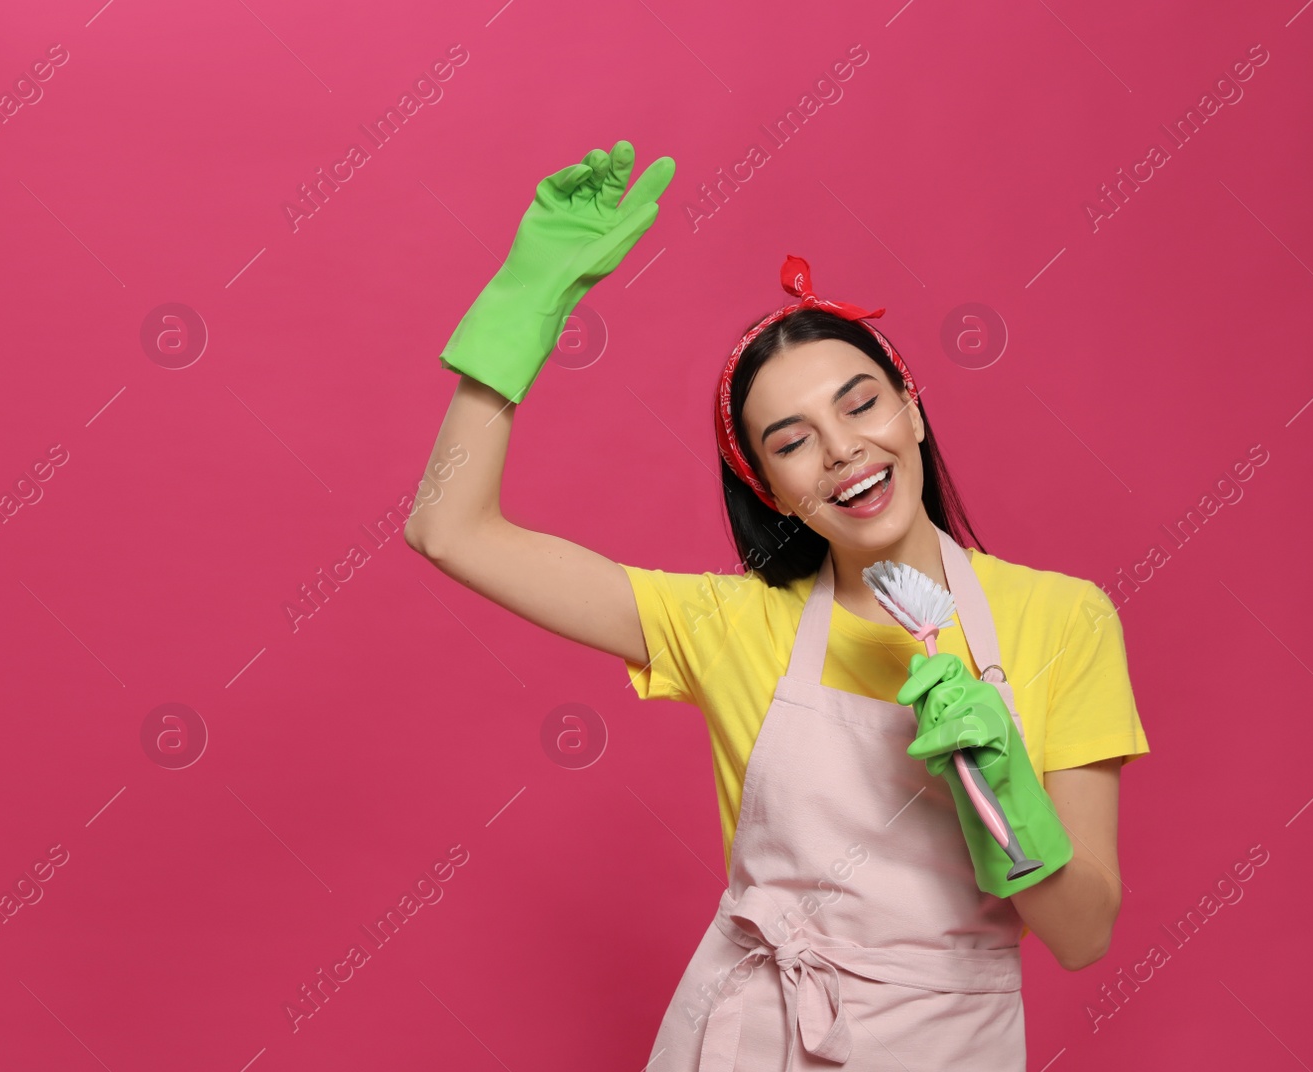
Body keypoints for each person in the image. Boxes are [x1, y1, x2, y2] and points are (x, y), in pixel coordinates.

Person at [405, 139, 1149, 1071]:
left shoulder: (1063, 620)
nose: (843, 450)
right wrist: (525, 305)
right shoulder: (730, 624)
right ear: (768, 487)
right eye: (794, 441)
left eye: (862, 404)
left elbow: (1083, 938)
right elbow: (450, 530)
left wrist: (1006, 799)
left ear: (913, 411)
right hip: (741, 1037)